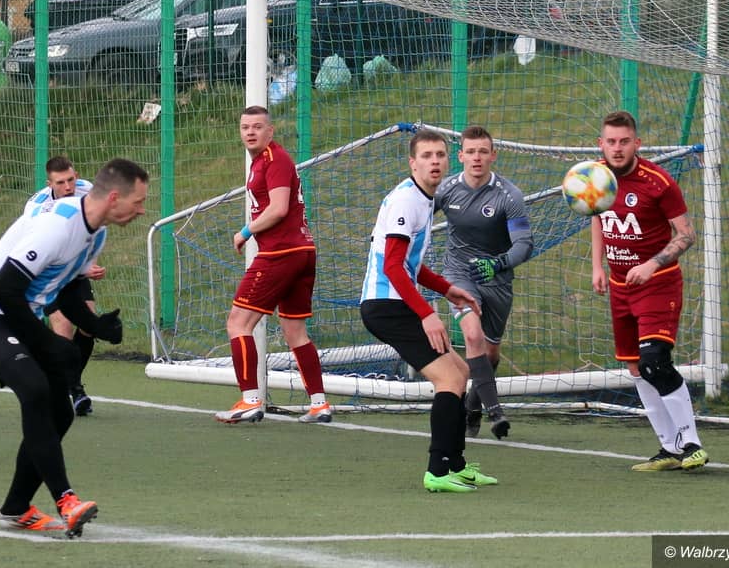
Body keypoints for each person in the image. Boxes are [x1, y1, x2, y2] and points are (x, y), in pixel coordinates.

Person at [0, 158, 148, 536]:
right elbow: (3, 290)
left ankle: (17, 506)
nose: (142, 210)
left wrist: (95, 325)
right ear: (114, 198)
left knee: (60, 413)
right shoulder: (56, 227)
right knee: (34, 389)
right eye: (139, 202)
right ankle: (67, 501)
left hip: (19, 313)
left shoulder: (97, 232)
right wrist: (46, 340)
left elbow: (65, 286)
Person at [360, 129, 498, 492]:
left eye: (439, 155)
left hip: (397, 302)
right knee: (448, 379)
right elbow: (392, 267)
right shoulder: (406, 201)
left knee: (460, 371)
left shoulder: (423, 199)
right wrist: (426, 313)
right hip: (386, 306)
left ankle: (457, 464)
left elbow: (411, 265)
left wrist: (447, 289)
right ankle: (438, 470)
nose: (434, 161)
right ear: (413, 163)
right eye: (426, 156)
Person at [592, 111, 708, 471]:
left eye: (624, 141)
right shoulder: (595, 177)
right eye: (611, 141)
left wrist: (651, 264)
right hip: (619, 286)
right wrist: (597, 266)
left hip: (658, 283)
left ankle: (692, 444)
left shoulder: (659, 182)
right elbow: (596, 217)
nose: (617, 148)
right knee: (635, 368)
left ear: (637, 143)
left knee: (654, 360)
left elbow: (687, 235)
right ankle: (669, 448)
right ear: (601, 144)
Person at [214, 105, 330, 425]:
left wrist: (245, 232)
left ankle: (250, 400)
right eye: (245, 127)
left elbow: (278, 208)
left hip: (281, 253)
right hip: (300, 252)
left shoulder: (275, 159)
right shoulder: (260, 161)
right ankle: (319, 404)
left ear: (270, 131)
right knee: (295, 331)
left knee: (238, 323)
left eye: (257, 126)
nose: (250, 132)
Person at [434, 126, 533, 439]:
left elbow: (524, 244)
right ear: (460, 156)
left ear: (493, 156)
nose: (477, 157)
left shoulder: (509, 195)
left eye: (483, 151)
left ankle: (473, 406)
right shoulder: (446, 190)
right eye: (471, 151)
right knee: (472, 335)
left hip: (497, 279)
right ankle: (496, 413)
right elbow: (416, 212)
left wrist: (497, 264)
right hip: (459, 274)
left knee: (490, 354)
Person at [30, 156, 102, 416]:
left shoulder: (87, 192)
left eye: (71, 180)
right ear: (49, 183)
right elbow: (38, 251)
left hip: (75, 266)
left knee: (89, 324)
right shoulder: (37, 208)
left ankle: (65, 384)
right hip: (45, 271)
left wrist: (90, 262)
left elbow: (93, 229)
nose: (68, 187)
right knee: (63, 328)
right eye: (61, 182)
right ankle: (75, 390)